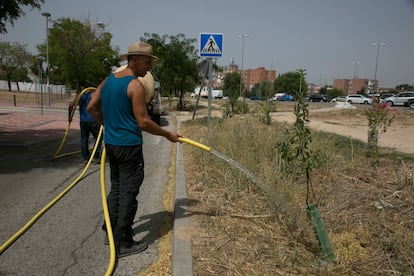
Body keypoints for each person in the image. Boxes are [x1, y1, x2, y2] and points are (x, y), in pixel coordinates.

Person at [87, 41, 182, 258]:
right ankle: (123, 242)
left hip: (111, 145)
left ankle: (109, 231)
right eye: (148, 62)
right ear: (135, 60)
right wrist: (168, 134)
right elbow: (143, 122)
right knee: (128, 192)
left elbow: (91, 106)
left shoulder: (108, 81)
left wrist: (106, 124)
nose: (149, 68)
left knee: (118, 189)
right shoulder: (135, 85)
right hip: (129, 148)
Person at [69, 90, 101, 163]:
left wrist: (70, 117)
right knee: (98, 137)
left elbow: (71, 106)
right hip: (93, 120)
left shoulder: (80, 96)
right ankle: (96, 156)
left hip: (83, 121)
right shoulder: (94, 94)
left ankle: (86, 157)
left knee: (84, 139)